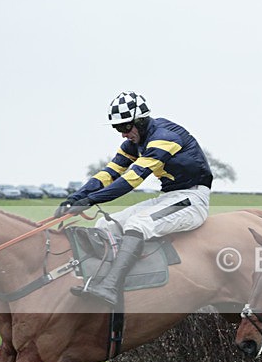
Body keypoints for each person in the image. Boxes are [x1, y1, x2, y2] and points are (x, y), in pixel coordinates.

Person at [56, 91, 213, 306]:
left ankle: (111, 286)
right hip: (168, 197)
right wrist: (74, 198)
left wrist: (90, 201)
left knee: (139, 224)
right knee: (104, 223)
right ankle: (99, 281)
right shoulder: (134, 142)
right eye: (117, 129)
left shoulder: (165, 137)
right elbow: (109, 174)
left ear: (139, 121)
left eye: (124, 127)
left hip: (192, 199)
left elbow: (131, 180)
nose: (122, 134)